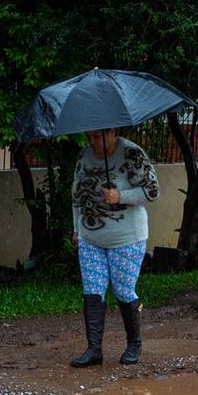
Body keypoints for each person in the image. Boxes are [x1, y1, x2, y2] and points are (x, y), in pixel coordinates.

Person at [70, 128, 159, 367]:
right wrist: (77, 229)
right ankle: (94, 349)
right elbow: (77, 195)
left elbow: (152, 191)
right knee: (92, 290)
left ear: (111, 131)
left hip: (127, 237)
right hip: (91, 238)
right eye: (88, 136)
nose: (91, 142)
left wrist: (120, 196)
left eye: (97, 137)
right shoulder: (84, 156)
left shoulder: (132, 153)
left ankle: (134, 345)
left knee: (123, 290)